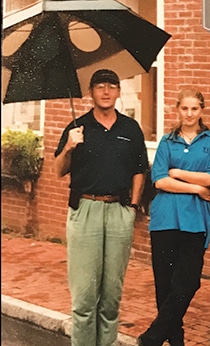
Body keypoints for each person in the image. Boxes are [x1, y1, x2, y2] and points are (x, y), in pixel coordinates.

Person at [54, 68, 147, 346]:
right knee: (84, 298)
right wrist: (69, 147)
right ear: (91, 92)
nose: (106, 92)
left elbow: (140, 170)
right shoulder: (77, 127)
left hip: (119, 211)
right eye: (100, 87)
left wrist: (132, 207)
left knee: (110, 297)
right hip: (85, 211)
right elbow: (58, 170)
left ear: (118, 92)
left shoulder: (130, 128)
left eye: (111, 86)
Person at [137, 89, 210, 346]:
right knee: (165, 285)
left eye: (194, 108)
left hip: (194, 221)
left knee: (188, 282)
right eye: (184, 108)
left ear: (201, 109)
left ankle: (151, 339)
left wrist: (177, 172)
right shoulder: (167, 140)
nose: (189, 113)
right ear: (177, 109)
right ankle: (176, 342)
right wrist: (196, 188)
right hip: (164, 220)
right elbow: (160, 181)